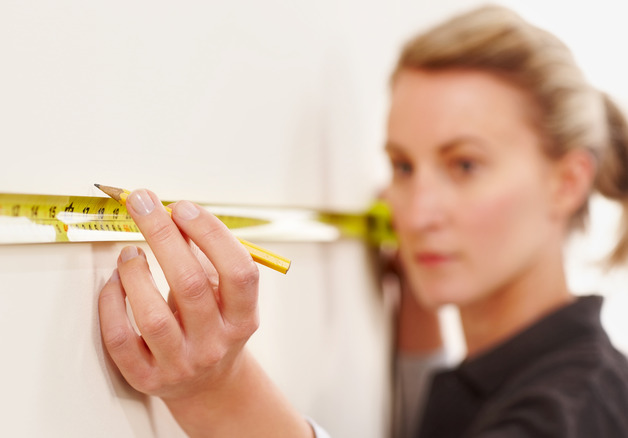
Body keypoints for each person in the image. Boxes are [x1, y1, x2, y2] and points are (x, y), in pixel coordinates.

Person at [97, 5, 628, 437]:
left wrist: (217, 391)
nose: (416, 214)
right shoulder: (536, 374)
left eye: (464, 165)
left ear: (567, 183)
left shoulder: (569, 414)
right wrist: (421, 309)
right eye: (402, 166)